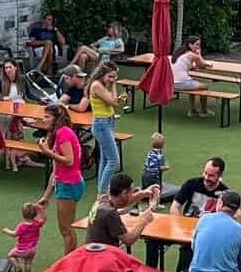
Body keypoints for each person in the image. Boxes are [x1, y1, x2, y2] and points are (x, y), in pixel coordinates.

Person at [38, 105, 85, 257]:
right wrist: (46, 196)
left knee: (66, 229)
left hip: (69, 184)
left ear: (56, 118)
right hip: (66, 183)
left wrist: (47, 152)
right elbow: (55, 171)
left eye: (47, 117)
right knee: (66, 228)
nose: (43, 119)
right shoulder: (59, 134)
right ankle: (70, 260)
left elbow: (69, 161)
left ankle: (68, 262)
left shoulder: (63, 133)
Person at [85, 173, 161, 251]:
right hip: (102, 256)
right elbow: (129, 240)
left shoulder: (103, 199)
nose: (133, 194)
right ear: (124, 193)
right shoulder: (110, 213)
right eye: (132, 192)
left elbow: (122, 202)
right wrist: (144, 220)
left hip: (92, 251)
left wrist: (143, 193)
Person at [89, 63, 124, 193]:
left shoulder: (103, 85)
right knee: (114, 162)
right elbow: (113, 102)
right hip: (102, 124)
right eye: (110, 76)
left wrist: (114, 92)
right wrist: (114, 85)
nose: (112, 79)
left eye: (115, 77)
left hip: (108, 122)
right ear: (102, 74)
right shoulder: (97, 85)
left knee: (105, 159)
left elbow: (110, 102)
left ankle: (102, 190)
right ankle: (103, 193)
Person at [172, 35, 214, 118]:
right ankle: (203, 111)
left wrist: (194, 66)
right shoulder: (192, 54)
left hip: (173, 82)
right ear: (190, 45)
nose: (198, 47)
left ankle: (192, 110)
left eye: (199, 45)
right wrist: (199, 54)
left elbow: (189, 66)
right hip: (180, 83)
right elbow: (202, 64)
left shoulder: (181, 53)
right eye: (196, 44)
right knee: (205, 87)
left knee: (193, 84)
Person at [3, 202, 44, 272]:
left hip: (21, 249)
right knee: (28, 263)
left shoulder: (22, 226)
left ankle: (17, 267)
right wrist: (41, 210)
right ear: (35, 214)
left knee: (10, 256)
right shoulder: (37, 223)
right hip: (32, 249)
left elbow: (14, 234)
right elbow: (43, 219)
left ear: (23, 214)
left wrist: (6, 230)